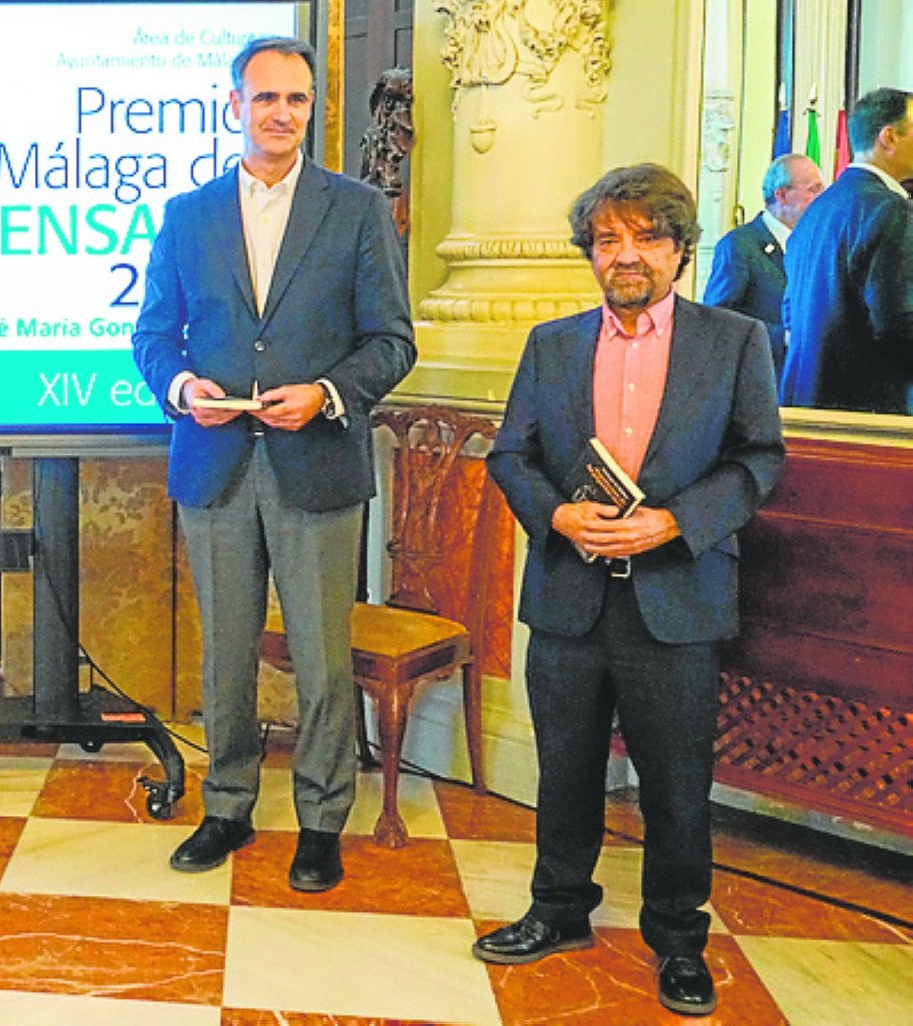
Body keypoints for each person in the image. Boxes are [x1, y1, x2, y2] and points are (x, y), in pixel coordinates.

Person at [477, 164, 785, 1017]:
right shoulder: (551, 344)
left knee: (677, 786)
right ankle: (558, 909)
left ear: (681, 250)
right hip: (569, 598)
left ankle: (679, 939)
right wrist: (557, 515)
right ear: (589, 253)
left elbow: (759, 458)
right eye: (607, 238)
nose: (627, 254)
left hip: (677, 600)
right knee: (564, 768)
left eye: (648, 237)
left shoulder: (735, 341)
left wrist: (676, 523)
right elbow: (511, 456)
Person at [131, 36, 415, 893]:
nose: (281, 113)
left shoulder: (357, 210)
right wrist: (183, 387)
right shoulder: (188, 215)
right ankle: (227, 806)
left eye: (296, 98)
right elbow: (152, 335)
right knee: (225, 654)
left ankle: (322, 821)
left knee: (322, 660)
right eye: (265, 98)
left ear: (311, 108)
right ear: (235, 106)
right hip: (214, 464)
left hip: (316, 464)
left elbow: (392, 341)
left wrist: (326, 394)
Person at [780, 87, 913, 413]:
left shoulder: (816, 210)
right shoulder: (889, 209)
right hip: (869, 415)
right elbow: (896, 321)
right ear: (889, 137)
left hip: (804, 404)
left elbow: (789, 313)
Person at [702, 153, 822, 372]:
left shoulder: (815, 244)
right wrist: (783, 337)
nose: (821, 198)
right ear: (781, 195)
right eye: (813, 190)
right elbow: (718, 317)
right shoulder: (740, 245)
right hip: (762, 373)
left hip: (807, 373)